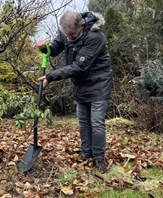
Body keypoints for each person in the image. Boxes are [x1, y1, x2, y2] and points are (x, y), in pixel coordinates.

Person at [37, 11, 112, 173]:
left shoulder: (95, 37)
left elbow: (80, 66)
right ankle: (86, 153)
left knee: (97, 123)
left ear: (82, 25)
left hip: (98, 84)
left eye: (72, 35)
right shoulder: (67, 31)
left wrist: (50, 77)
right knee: (83, 121)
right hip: (80, 85)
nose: (69, 38)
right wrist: (46, 48)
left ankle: (99, 157)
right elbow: (56, 47)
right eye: (66, 35)